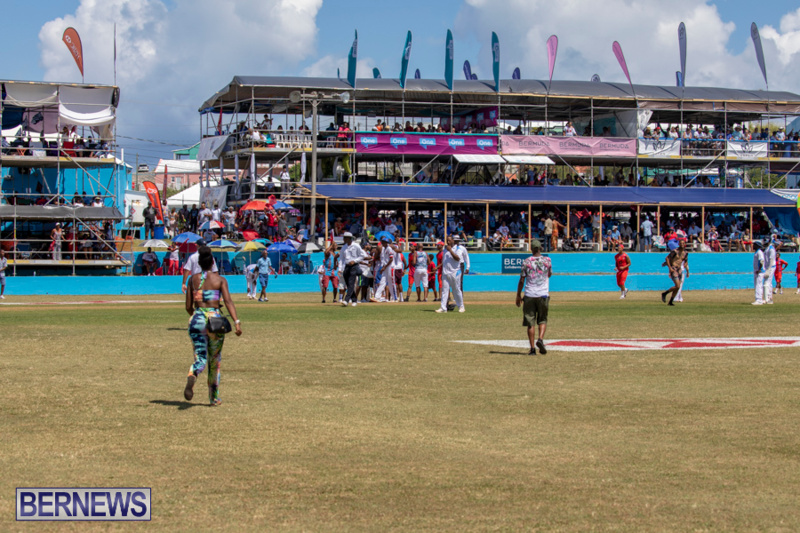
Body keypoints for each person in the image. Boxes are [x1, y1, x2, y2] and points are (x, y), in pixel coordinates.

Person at [184, 246, 242, 406]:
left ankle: (193, 373)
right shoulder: (220, 280)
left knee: (200, 357)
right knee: (214, 360)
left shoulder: (192, 280)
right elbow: (228, 302)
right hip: (215, 321)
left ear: (199, 263)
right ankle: (214, 398)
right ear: (212, 263)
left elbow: (188, 306)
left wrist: (197, 316)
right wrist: (236, 322)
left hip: (197, 319)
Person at [515, 239, 552, 355]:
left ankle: (532, 349)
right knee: (542, 319)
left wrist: (518, 295)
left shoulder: (526, 262)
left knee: (530, 322)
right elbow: (549, 274)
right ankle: (540, 339)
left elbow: (522, 280)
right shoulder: (547, 260)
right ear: (540, 248)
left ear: (531, 249)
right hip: (543, 294)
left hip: (530, 294)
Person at [436, 235, 467, 313]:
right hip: (445, 273)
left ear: (453, 240)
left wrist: (451, 251)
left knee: (456, 290)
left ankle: (461, 306)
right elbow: (444, 261)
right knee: (444, 290)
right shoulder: (445, 249)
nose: (448, 242)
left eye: (449, 240)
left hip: (455, 272)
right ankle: (443, 308)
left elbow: (457, 258)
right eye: (447, 240)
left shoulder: (458, 248)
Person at [339, 231, 369, 307]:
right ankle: (354, 300)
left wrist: (355, 261)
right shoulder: (343, 247)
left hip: (354, 266)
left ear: (349, 238)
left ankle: (346, 300)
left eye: (345, 238)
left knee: (351, 283)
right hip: (346, 267)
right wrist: (340, 269)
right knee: (348, 284)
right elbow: (341, 259)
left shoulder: (356, 246)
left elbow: (362, 256)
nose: (343, 239)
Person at [371, 237, 398, 303]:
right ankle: (377, 297)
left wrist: (384, 267)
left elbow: (391, 259)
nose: (382, 243)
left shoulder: (389, 249)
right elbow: (383, 260)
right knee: (382, 282)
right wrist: (383, 267)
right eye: (382, 242)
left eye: (383, 242)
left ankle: (395, 298)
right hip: (385, 267)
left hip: (390, 267)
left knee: (391, 282)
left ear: (386, 243)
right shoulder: (383, 249)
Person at [661, 240, 687, 306]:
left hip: (679, 269)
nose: (682, 244)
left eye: (683, 243)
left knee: (677, 287)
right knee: (677, 285)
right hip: (674, 269)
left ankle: (670, 302)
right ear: (679, 244)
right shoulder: (675, 251)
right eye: (681, 243)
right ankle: (665, 293)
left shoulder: (685, 252)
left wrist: (685, 264)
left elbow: (685, 260)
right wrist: (670, 268)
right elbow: (667, 258)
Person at [763, 238, 777, 304]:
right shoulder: (767, 248)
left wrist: (768, 269)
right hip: (767, 267)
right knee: (769, 282)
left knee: (767, 282)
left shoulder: (771, 249)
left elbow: (771, 259)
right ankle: (769, 298)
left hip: (771, 267)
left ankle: (768, 298)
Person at [752, 241, 766, 305]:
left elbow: (761, 261)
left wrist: (759, 269)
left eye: (754, 245)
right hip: (757, 271)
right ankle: (759, 299)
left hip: (759, 272)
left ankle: (759, 300)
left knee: (758, 285)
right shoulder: (756, 252)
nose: (753, 246)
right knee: (757, 285)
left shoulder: (759, 252)